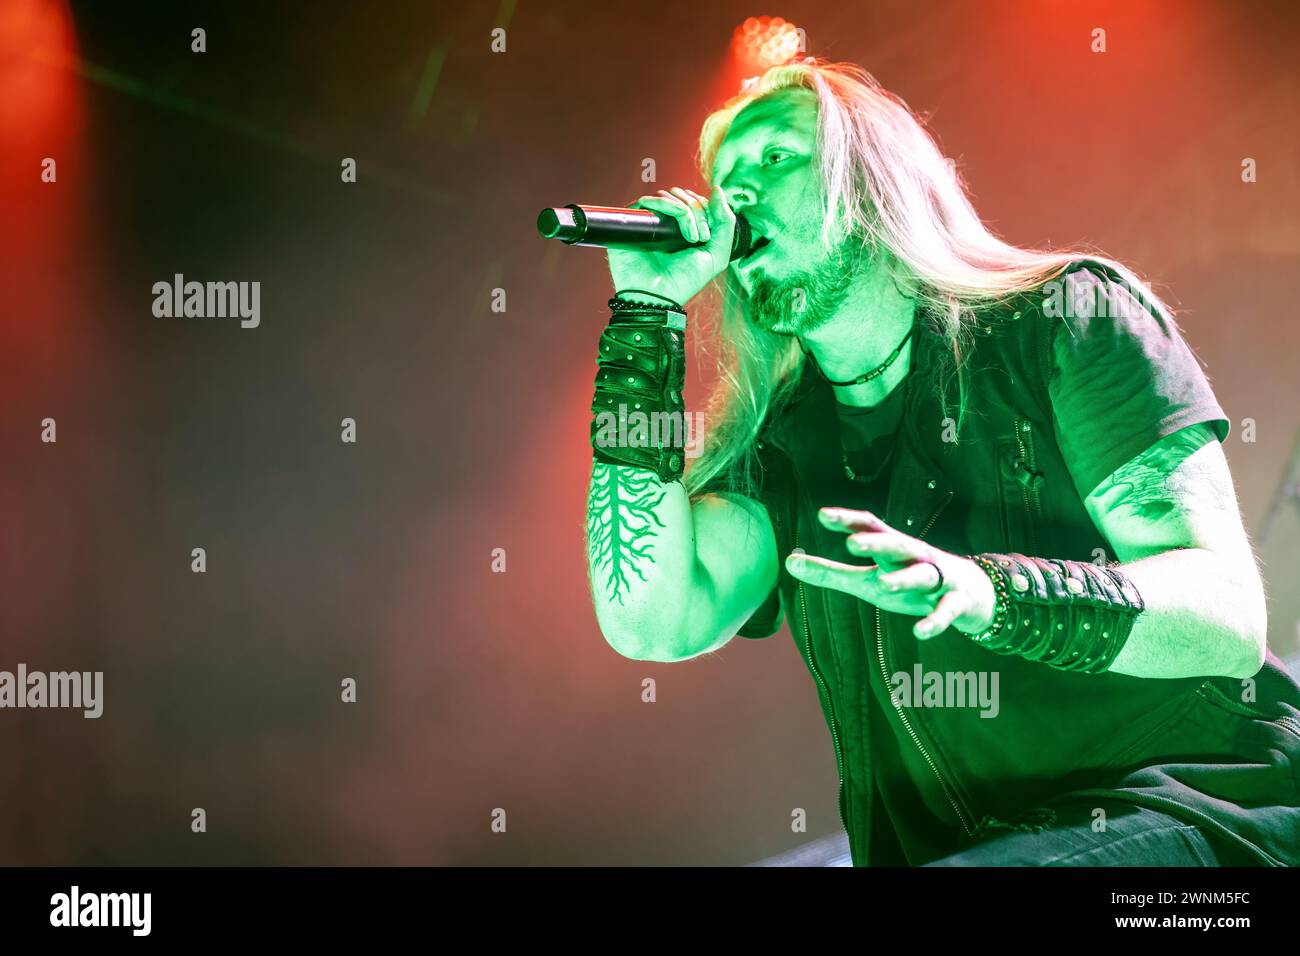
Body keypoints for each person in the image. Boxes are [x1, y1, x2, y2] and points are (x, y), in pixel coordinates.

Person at [583, 57, 1300, 866]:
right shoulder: (783, 446)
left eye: (775, 158)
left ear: (872, 180)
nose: (735, 194)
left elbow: (1224, 620)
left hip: (1207, 815)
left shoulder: (1066, 317)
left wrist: (989, 591)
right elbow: (653, 620)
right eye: (725, 177)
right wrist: (643, 318)